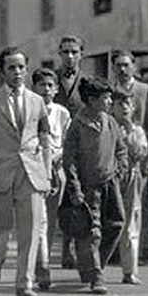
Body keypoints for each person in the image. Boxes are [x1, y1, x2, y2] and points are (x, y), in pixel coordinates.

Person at [0, 46, 51, 296]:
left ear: (26, 70)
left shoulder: (37, 101)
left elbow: (45, 137)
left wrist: (47, 173)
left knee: (31, 231)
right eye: (11, 68)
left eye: (21, 67)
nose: (17, 72)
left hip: (31, 174)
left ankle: (24, 282)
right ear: (2, 72)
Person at [62, 77, 127, 294]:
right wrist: (75, 188)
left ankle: (92, 265)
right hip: (87, 187)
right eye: (106, 98)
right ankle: (96, 275)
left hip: (110, 183)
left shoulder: (110, 122)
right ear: (91, 100)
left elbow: (121, 149)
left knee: (117, 224)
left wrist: (121, 168)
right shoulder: (77, 124)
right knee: (92, 231)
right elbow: (69, 160)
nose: (110, 102)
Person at [110, 50, 148, 263]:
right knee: (117, 202)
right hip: (115, 156)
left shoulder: (146, 90)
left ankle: (142, 248)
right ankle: (118, 250)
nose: (122, 69)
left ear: (134, 66)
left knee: (141, 202)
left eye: (126, 65)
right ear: (113, 68)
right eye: (118, 65)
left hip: (139, 152)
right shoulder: (110, 90)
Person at [29, 67, 71, 291]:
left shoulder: (62, 113)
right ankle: (40, 266)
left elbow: (67, 142)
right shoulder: (28, 110)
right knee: (37, 219)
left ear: (56, 90)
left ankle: (41, 263)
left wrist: (56, 158)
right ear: (34, 88)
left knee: (50, 220)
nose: (46, 89)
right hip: (33, 169)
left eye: (50, 85)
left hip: (56, 169)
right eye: (41, 85)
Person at [52, 35, 92, 270]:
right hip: (55, 150)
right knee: (58, 200)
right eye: (65, 51)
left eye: (74, 52)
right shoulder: (50, 80)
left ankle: (75, 249)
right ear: (59, 54)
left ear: (81, 54)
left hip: (82, 149)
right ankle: (58, 248)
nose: (69, 56)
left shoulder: (88, 82)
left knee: (78, 198)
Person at [112, 88, 148, 285]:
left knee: (131, 223)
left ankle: (129, 270)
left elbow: (139, 153)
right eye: (120, 104)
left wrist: (128, 130)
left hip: (131, 177)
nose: (124, 107)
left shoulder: (138, 131)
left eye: (128, 104)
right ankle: (95, 267)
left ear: (133, 108)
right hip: (111, 177)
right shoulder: (108, 127)